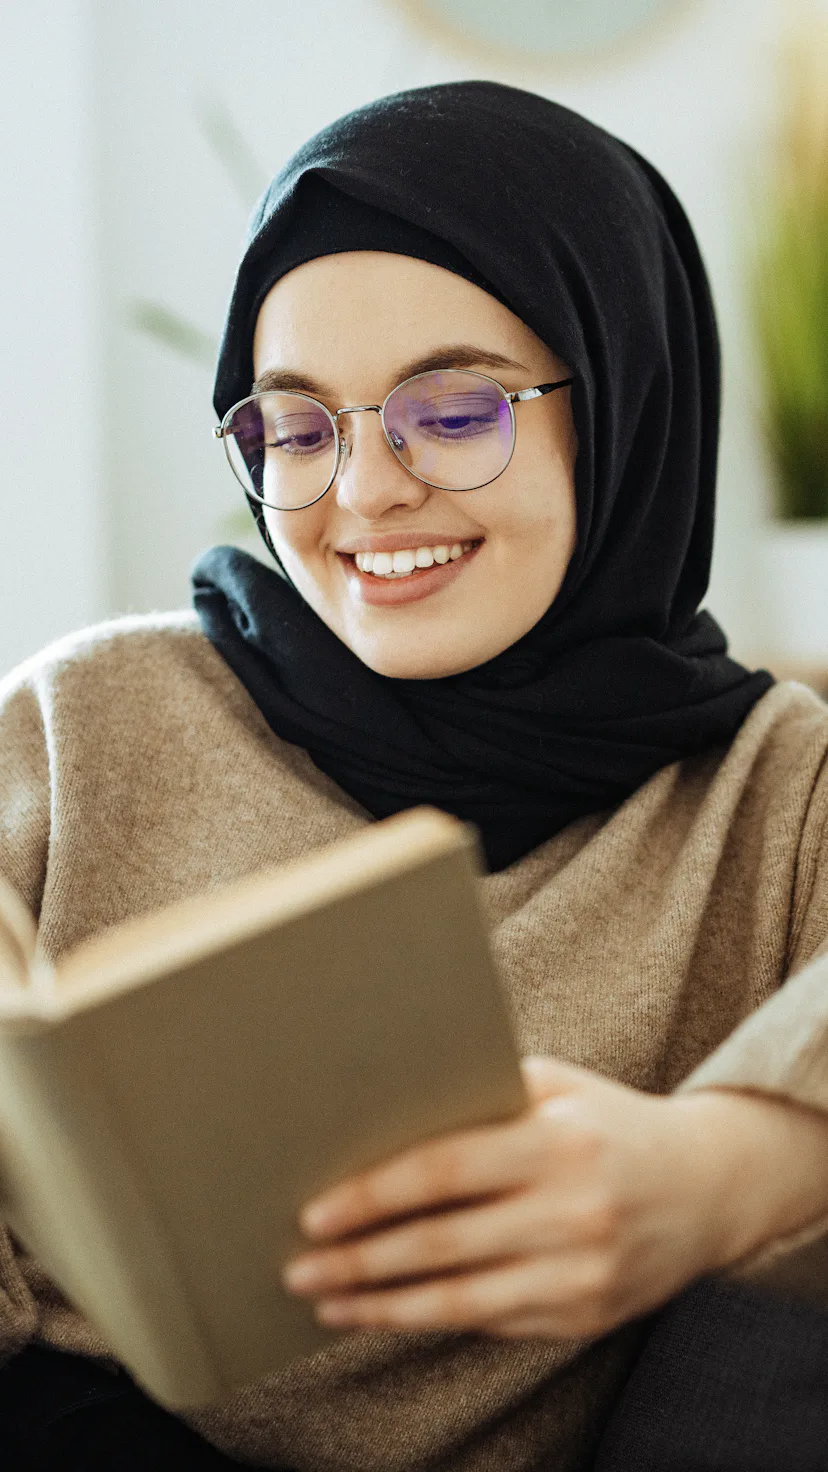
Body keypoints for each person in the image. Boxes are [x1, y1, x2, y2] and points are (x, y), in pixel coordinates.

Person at [2, 79, 828, 1472]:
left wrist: (724, 1171)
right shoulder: (86, 721)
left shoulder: (776, 789)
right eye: (300, 427)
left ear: (625, 406)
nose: (364, 495)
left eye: (452, 412)